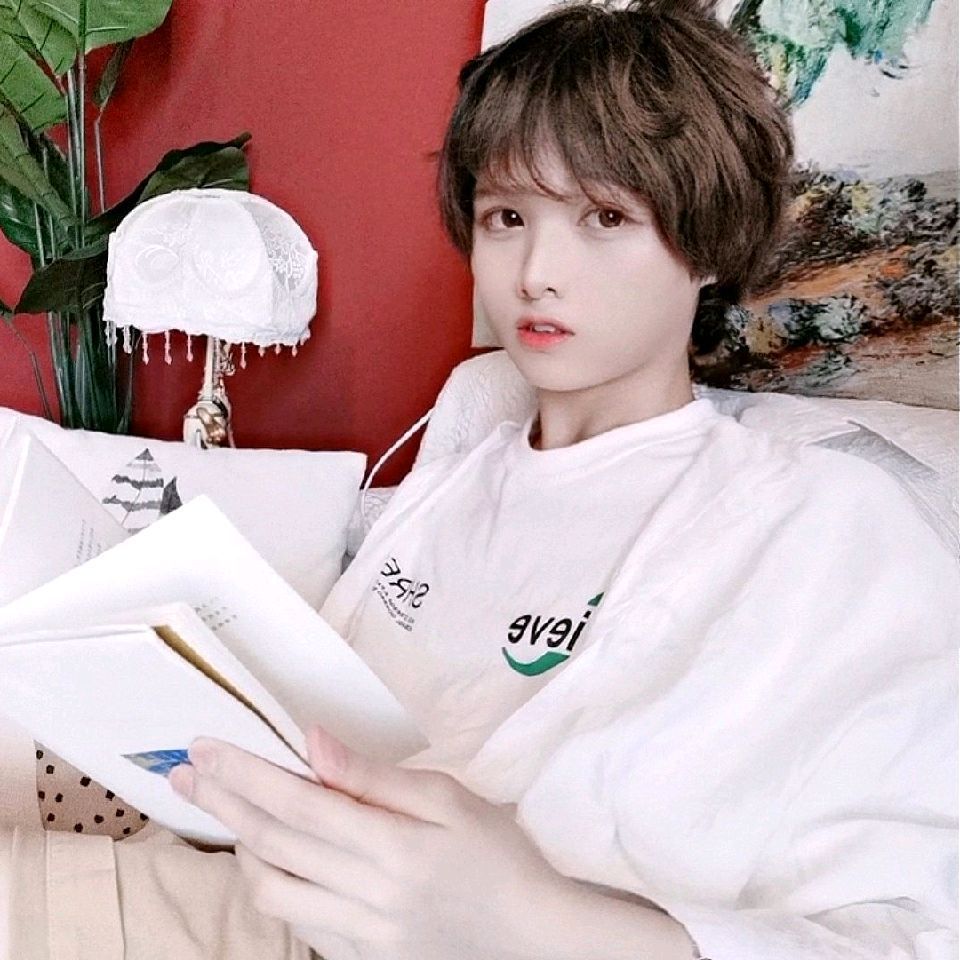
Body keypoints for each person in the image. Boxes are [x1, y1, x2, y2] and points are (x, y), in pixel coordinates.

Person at [167, 2, 959, 959]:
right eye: (507, 217)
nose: (536, 273)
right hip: (254, 904)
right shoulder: (450, 482)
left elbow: (914, 932)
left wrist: (530, 921)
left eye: (606, 218)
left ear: (708, 242)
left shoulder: (828, 518)